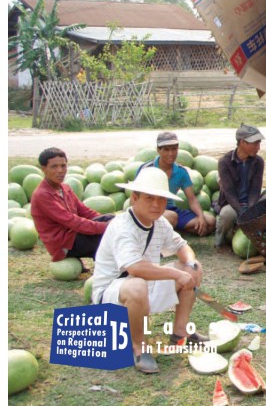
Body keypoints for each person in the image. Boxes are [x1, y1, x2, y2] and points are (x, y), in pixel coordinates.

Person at [91, 167, 206, 374]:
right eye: (149, 198)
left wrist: (191, 263)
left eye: (161, 199)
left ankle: (180, 332)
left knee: (191, 269)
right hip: (112, 295)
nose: (156, 204)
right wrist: (177, 273)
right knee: (137, 285)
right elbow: (135, 267)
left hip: (145, 286)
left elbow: (181, 246)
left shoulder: (159, 223)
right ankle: (139, 347)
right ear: (134, 198)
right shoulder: (122, 226)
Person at [30, 147, 113, 265]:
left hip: (73, 235)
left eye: (63, 166)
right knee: (106, 238)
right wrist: (105, 228)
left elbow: (85, 212)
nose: (60, 170)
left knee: (109, 218)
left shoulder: (65, 188)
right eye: (54, 166)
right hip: (63, 245)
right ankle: (108, 268)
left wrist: (110, 222)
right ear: (44, 169)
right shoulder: (42, 195)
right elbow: (72, 221)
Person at [137, 131, 215, 236]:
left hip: (171, 211)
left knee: (210, 222)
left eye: (174, 149)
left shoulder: (181, 172)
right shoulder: (146, 169)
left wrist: (200, 217)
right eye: (167, 149)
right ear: (158, 150)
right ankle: (164, 228)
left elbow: (192, 199)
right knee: (171, 217)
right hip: (149, 210)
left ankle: (171, 228)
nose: (171, 154)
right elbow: (135, 199)